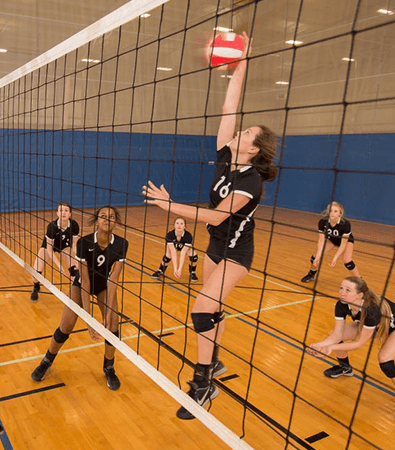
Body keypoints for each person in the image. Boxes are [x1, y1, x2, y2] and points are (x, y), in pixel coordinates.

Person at [143, 31, 278, 420]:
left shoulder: (251, 181)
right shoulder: (225, 157)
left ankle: (203, 383)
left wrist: (172, 207)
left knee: (202, 307)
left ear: (253, 149)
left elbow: (220, 215)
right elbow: (228, 109)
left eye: (248, 133)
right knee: (211, 309)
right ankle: (214, 362)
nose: (240, 131)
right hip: (215, 246)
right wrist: (242, 64)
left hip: (237, 252)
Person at [31, 206, 129, 391]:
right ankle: (47, 360)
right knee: (66, 326)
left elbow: (114, 280)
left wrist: (108, 315)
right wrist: (89, 319)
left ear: (116, 221)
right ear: (96, 220)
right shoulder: (84, 243)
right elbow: (84, 281)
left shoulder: (121, 244)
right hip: (81, 285)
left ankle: (109, 367)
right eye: (103, 216)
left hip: (104, 286)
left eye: (111, 217)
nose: (107, 220)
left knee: (114, 323)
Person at [307, 277, 395, 424]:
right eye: (341, 288)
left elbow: (358, 344)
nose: (342, 293)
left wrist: (331, 347)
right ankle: (345, 367)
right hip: (370, 325)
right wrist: (320, 345)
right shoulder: (341, 304)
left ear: (359, 295)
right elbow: (337, 334)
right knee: (333, 335)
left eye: (348, 290)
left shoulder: (371, 310)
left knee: (385, 360)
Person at [30, 202, 80, 301]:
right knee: (35, 274)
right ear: (57, 213)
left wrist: (76, 258)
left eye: (66, 210)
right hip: (48, 247)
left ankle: (73, 294)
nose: (63, 213)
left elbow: (75, 244)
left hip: (65, 246)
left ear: (70, 214)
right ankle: (36, 286)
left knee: (75, 270)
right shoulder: (52, 227)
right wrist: (59, 266)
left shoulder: (74, 225)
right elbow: (49, 248)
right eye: (61, 210)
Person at [301, 201, 360, 283]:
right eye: (330, 211)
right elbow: (321, 240)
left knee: (347, 261)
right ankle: (311, 274)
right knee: (314, 258)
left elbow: (343, 245)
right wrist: (318, 256)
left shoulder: (345, 224)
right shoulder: (322, 222)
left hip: (346, 242)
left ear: (340, 213)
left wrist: (335, 258)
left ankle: (360, 282)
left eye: (335, 211)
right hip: (332, 240)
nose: (332, 213)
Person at [151, 216, 199, 282]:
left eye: (181, 224)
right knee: (168, 256)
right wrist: (175, 269)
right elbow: (173, 251)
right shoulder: (169, 235)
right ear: (174, 225)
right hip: (174, 247)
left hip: (184, 248)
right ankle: (160, 270)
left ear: (185, 226)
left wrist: (179, 269)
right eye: (177, 223)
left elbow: (183, 253)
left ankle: (192, 272)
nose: (179, 225)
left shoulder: (188, 236)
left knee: (194, 257)